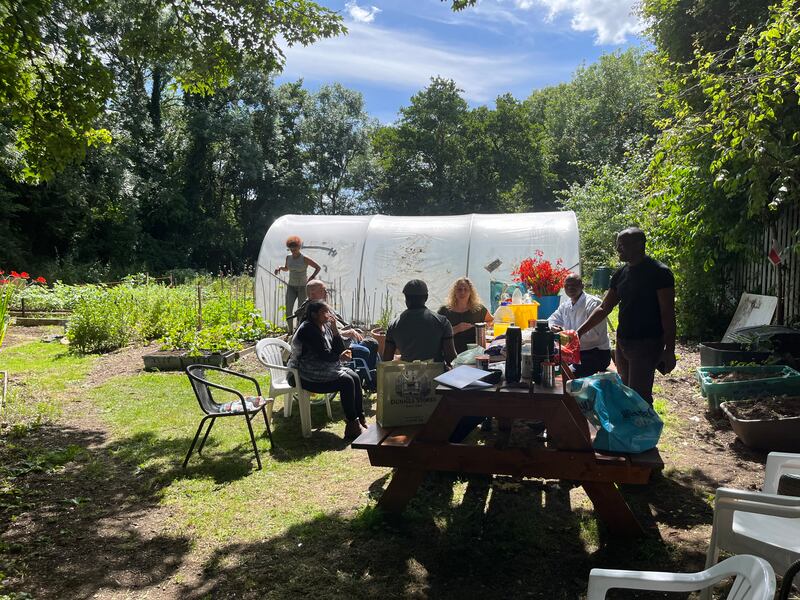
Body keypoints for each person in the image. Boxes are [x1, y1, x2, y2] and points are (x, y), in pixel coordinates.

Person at [576, 227, 676, 404]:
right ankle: (631, 430)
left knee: (639, 397)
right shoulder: (620, 274)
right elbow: (604, 308)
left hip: (646, 343)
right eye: (617, 245)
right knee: (626, 393)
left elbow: (667, 313)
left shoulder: (659, 273)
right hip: (623, 343)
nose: (617, 249)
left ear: (639, 245)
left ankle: (645, 430)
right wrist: (579, 332)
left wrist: (669, 350)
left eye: (622, 245)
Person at [288, 299, 367, 439]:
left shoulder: (325, 326)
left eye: (328, 311)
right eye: (324, 312)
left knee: (354, 377)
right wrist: (340, 357)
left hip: (324, 369)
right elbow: (324, 355)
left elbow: (338, 349)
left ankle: (360, 419)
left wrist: (335, 329)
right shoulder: (308, 329)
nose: (328, 314)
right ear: (313, 315)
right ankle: (352, 426)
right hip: (304, 374)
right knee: (347, 381)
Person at [548, 273, 611, 378]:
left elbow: (595, 336)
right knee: (548, 365)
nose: (570, 288)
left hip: (595, 354)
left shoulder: (594, 304)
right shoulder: (566, 305)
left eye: (574, 284)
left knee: (568, 374)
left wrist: (567, 336)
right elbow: (551, 320)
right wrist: (552, 327)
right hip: (573, 353)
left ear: (582, 286)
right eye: (567, 285)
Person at [382, 279, 456, 364]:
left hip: (407, 375)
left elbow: (386, 359)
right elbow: (451, 359)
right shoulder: (442, 322)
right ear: (426, 297)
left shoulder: (394, 324)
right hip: (436, 375)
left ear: (406, 298)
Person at [292, 279, 363, 342]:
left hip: (342, 338)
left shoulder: (324, 307)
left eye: (326, 290)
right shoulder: (312, 313)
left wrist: (352, 330)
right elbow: (323, 334)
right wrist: (347, 332)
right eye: (322, 290)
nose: (326, 293)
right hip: (333, 344)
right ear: (312, 295)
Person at [274, 236, 320, 330]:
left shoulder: (304, 258)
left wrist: (311, 278)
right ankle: (290, 330)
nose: (293, 251)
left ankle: (298, 330)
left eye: (294, 249)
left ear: (299, 247)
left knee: (300, 310)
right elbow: (287, 268)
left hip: (302, 287)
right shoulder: (288, 257)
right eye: (291, 249)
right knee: (288, 309)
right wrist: (279, 268)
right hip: (291, 286)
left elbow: (317, 267)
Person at [438, 277, 494, 354]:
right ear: (454, 292)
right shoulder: (444, 311)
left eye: (466, 289)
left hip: (475, 353)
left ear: (471, 292)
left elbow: (491, 321)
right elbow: (436, 332)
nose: (462, 292)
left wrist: (482, 327)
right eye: (459, 289)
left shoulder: (479, 309)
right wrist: (456, 329)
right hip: (451, 353)